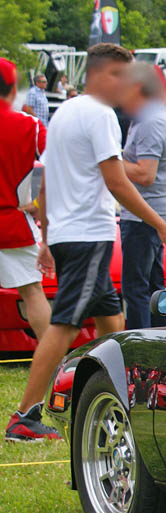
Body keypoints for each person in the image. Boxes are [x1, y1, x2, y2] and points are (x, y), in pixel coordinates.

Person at [6, 44, 166, 443]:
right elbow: (117, 180)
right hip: (89, 236)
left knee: (111, 321)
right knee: (64, 324)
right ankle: (24, 417)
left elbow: (46, 181)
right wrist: (161, 226)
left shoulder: (65, 111)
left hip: (70, 236)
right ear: (107, 74)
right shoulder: (101, 115)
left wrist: (49, 239)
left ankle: (121, 400)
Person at [119, 63, 166, 330]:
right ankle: (160, 341)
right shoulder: (150, 119)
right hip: (153, 212)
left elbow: (145, 174)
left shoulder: (149, 123)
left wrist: (109, 161)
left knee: (137, 289)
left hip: (143, 215)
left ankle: (139, 349)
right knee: (154, 288)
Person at [0, 59, 52, 363]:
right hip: (12, 219)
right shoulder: (29, 125)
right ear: (12, 89)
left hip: (13, 219)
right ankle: (49, 356)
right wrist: (34, 203)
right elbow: (55, 165)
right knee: (32, 292)